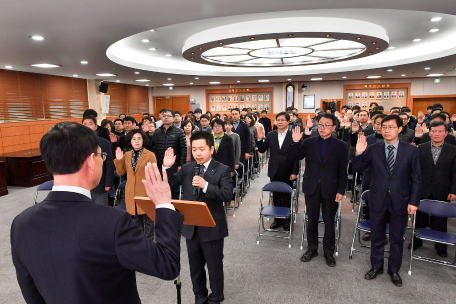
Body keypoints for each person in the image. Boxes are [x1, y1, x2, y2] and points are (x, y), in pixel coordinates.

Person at [11, 122, 183, 304]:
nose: (103, 159)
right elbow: (167, 264)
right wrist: (164, 204)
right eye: (101, 155)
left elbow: (31, 293)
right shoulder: (113, 222)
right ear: (90, 161)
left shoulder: (21, 223)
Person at [163, 131, 232, 304]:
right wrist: (166, 167)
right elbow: (168, 185)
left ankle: (216, 298)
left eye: (202, 149)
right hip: (190, 227)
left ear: (211, 148)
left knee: (214, 267)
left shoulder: (223, 169)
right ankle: (200, 298)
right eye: (194, 149)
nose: (198, 153)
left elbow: (227, 195)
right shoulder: (186, 169)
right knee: (195, 268)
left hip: (212, 227)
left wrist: (206, 185)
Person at [354, 115, 421, 287]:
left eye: (391, 127)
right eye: (384, 127)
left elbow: (416, 178)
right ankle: (376, 267)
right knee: (377, 236)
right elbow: (358, 169)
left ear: (400, 129)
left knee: (397, 238)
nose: (387, 130)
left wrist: (414, 201)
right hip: (378, 199)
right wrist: (358, 153)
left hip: (401, 199)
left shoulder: (411, 150)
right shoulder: (374, 148)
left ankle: (394, 269)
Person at [290, 113, 348, 267]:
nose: (322, 128)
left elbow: (343, 170)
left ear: (334, 127)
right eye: (320, 124)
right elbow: (295, 156)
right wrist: (295, 142)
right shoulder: (309, 142)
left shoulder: (341, 146)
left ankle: (329, 252)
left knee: (329, 221)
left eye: (326, 125)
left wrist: (341, 190)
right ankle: (312, 249)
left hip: (331, 187)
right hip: (312, 186)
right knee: (312, 219)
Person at [410, 121, 456, 257]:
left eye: (440, 131)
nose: (437, 134)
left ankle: (441, 248)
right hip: (422, 189)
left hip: (442, 190)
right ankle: (416, 242)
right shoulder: (420, 148)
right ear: (429, 133)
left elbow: (455, 172)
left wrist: (454, 190)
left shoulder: (453, 150)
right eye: (434, 131)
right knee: (420, 219)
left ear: (446, 133)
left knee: (440, 221)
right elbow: (415, 171)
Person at [257, 112, 299, 232]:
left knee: (286, 196)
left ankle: (286, 220)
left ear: (288, 121)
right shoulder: (271, 135)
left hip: (288, 170)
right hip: (274, 169)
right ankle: (277, 220)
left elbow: (296, 156)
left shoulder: (293, 135)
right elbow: (262, 149)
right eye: (278, 120)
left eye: (282, 120)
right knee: (276, 196)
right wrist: (260, 139)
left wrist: (294, 172)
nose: (280, 122)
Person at [114, 129, 158, 239]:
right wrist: (119, 160)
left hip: (146, 192)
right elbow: (120, 172)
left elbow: (154, 174)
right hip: (131, 193)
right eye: (134, 139)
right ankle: (140, 244)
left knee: (148, 222)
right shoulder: (127, 155)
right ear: (130, 141)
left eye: (139, 138)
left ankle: (149, 245)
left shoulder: (150, 155)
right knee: (136, 222)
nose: (136, 141)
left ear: (143, 140)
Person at [82, 116, 114, 206]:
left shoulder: (104, 143)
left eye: (90, 124)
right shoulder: (78, 143)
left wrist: (108, 182)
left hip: (100, 182)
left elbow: (109, 164)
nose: (87, 126)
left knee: (101, 208)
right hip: (83, 183)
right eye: (85, 124)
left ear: (96, 127)